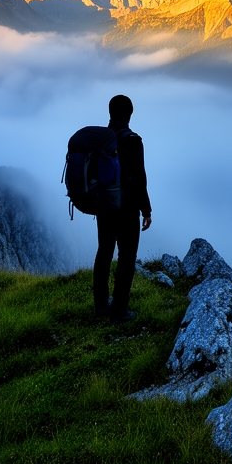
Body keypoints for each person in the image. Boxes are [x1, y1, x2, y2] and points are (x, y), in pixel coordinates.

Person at [94, 94, 152, 324]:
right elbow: (139, 178)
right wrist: (146, 210)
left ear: (110, 112)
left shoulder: (99, 140)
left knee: (104, 252)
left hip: (103, 207)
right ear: (130, 114)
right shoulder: (133, 141)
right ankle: (119, 311)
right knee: (126, 257)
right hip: (127, 209)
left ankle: (100, 307)